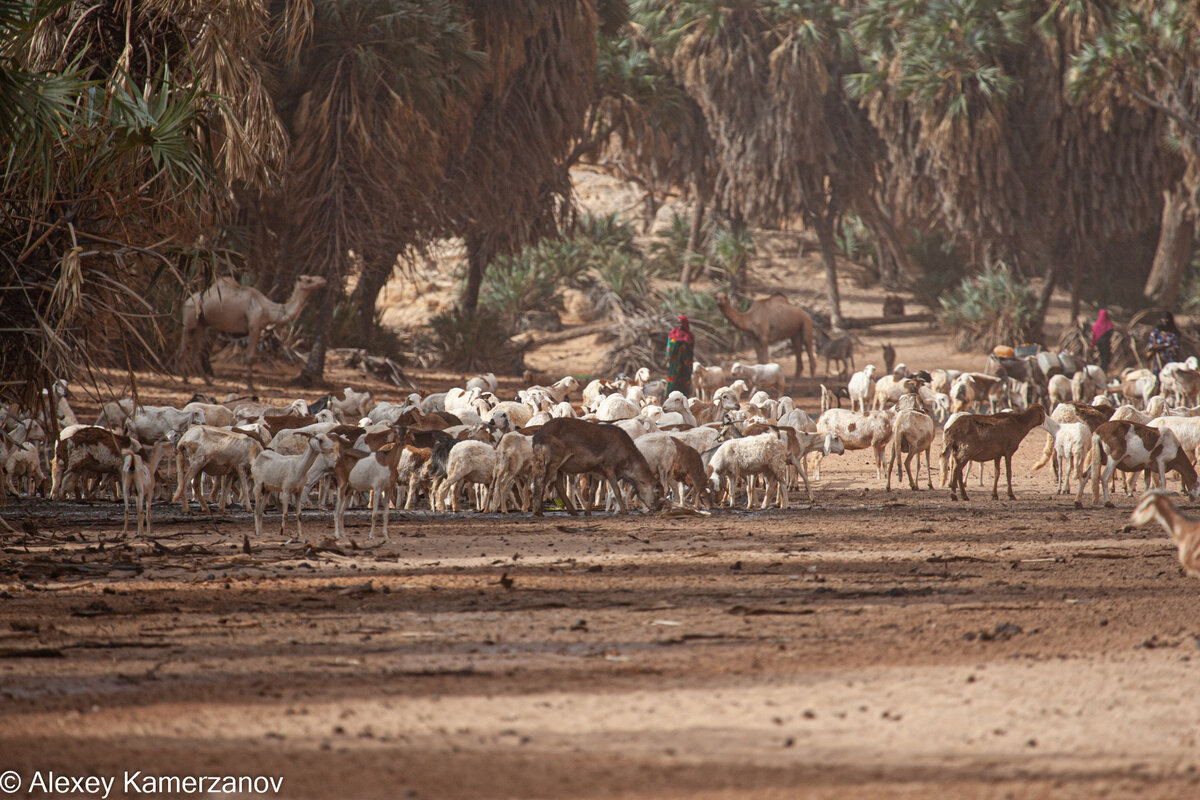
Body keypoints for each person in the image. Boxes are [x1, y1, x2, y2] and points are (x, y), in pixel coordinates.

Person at [666, 314, 694, 396]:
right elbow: (669, 347)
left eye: (681, 323)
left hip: (685, 364)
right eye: (678, 323)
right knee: (673, 381)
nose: (680, 325)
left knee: (685, 382)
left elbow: (691, 348)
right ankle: (670, 397)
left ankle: (685, 398)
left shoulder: (689, 336)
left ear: (685, 324)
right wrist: (669, 357)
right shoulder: (673, 333)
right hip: (674, 363)